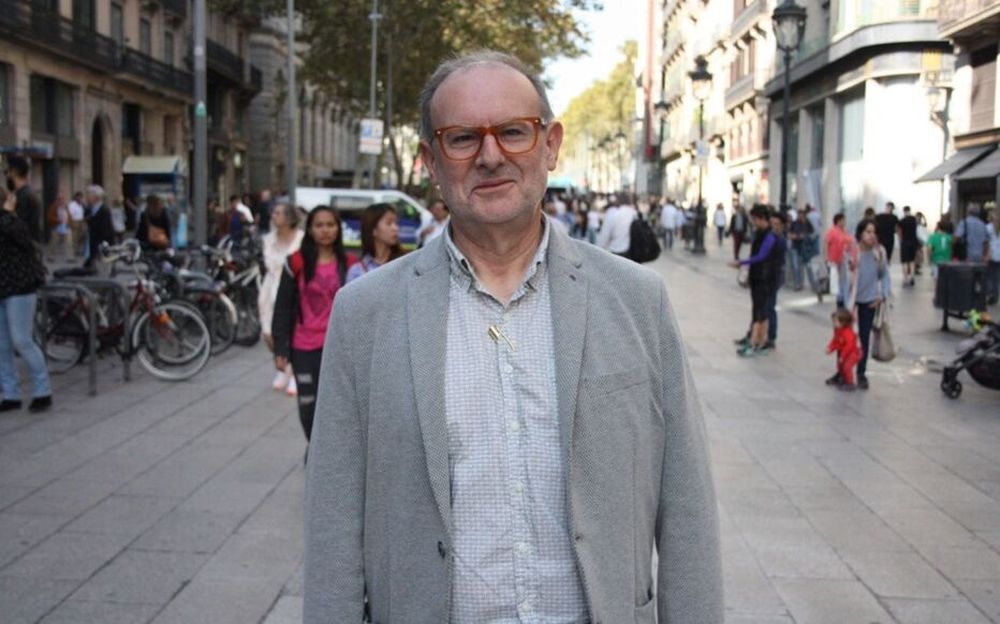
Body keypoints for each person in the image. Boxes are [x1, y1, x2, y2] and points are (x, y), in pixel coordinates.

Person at [302, 50, 722, 624]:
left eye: (513, 132)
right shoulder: (365, 313)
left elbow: (688, 507)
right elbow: (333, 519)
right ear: (430, 159)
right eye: (462, 139)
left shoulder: (637, 300)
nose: (491, 156)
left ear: (550, 145)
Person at [271, 205, 349, 441]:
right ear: (310, 229)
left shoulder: (351, 264)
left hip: (339, 347)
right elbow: (282, 307)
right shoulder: (295, 262)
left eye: (330, 225)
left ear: (338, 229)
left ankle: (329, 450)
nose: (325, 230)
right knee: (307, 403)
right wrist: (280, 348)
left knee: (337, 404)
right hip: (303, 346)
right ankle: (314, 447)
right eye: (319, 225)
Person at [0, 186, 52, 413]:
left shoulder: (10, 221)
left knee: (22, 340)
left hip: (20, 287)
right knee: (2, 345)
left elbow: (26, 241)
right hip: (2, 288)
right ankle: (10, 394)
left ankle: (43, 390)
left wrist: (9, 213)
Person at [258, 200, 303, 396]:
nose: (273, 216)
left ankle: (293, 372)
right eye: (273, 213)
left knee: (291, 330)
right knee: (268, 332)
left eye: (278, 213)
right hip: (270, 288)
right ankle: (281, 364)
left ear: (289, 217)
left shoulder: (300, 239)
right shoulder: (268, 239)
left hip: (291, 288)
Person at [729, 204, 780, 356]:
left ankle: (753, 343)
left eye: (754, 219)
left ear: (761, 219)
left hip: (765, 278)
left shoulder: (770, 236)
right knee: (760, 311)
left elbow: (762, 256)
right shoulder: (759, 233)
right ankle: (760, 341)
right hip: (758, 276)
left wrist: (742, 262)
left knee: (759, 312)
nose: (752, 222)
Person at [849, 218, 892, 391]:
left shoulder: (879, 252)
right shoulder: (852, 251)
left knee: (864, 338)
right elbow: (842, 275)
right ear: (860, 233)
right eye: (868, 231)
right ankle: (842, 372)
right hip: (850, 301)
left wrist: (882, 295)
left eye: (874, 232)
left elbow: (885, 275)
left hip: (869, 302)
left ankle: (861, 373)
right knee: (845, 338)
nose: (871, 235)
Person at [345, 202, 405, 284]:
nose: (395, 228)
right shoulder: (357, 270)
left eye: (396, 223)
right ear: (373, 230)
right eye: (389, 223)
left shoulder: (404, 263)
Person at [4, 155, 42, 244]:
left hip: (21, 252)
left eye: (8, 172)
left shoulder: (22, 197)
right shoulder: (27, 194)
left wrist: (8, 212)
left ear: (15, 172)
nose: (7, 175)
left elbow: (19, 229)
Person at [825, 213, 856, 309]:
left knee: (844, 282)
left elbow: (850, 244)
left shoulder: (844, 232)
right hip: (835, 260)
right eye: (843, 220)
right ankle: (840, 301)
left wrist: (851, 257)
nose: (844, 222)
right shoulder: (832, 231)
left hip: (844, 260)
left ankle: (844, 301)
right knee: (838, 282)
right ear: (838, 221)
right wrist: (827, 257)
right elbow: (827, 243)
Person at [826, 308, 861, 390]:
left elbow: (849, 346)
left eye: (835, 321)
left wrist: (842, 356)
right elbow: (835, 341)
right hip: (846, 353)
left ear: (843, 322)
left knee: (847, 366)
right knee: (840, 366)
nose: (833, 323)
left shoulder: (848, 333)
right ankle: (843, 379)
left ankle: (850, 383)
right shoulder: (838, 330)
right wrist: (830, 348)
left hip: (854, 353)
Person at [83, 185, 114, 269]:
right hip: (94, 239)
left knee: (102, 262)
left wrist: (102, 241)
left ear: (95, 197)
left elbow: (106, 227)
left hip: (101, 240)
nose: (87, 197)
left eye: (89, 195)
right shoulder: (91, 208)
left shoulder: (104, 209)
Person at [788, 209, 816, 291]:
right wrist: (794, 236)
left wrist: (803, 236)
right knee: (796, 267)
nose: (800, 216)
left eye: (802, 215)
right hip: (795, 247)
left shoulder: (808, 223)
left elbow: (812, 234)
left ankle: (813, 285)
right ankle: (798, 284)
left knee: (808, 267)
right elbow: (789, 234)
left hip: (806, 248)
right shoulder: (794, 223)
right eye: (799, 215)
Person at [898, 205, 919, 286]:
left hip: (905, 242)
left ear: (904, 211)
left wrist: (901, 240)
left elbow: (899, 232)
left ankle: (905, 278)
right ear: (910, 210)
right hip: (914, 242)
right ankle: (911, 277)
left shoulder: (902, 221)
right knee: (912, 261)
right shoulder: (914, 219)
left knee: (905, 261)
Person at [47, 193, 71, 260]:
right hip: (56, 227)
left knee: (69, 243)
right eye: (61, 200)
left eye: (64, 200)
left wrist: (70, 223)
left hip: (66, 227)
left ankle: (70, 257)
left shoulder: (66, 207)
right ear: (58, 200)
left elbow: (69, 216)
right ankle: (50, 256)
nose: (63, 201)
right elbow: (49, 217)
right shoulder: (53, 207)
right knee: (53, 243)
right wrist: (57, 220)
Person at [987, 209, 1000, 305]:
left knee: (990, 276)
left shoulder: (988, 227)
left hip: (991, 255)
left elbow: (985, 242)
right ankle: (995, 296)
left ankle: (991, 294)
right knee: (997, 277)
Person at [67, 191, 86, 256]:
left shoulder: (81, 205)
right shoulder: (72, 205)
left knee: (81, 236)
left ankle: (78, 249)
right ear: (76, 197)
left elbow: (83, 213)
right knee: (74, 237)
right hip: (75, 221)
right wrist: (72, 223)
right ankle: (74, 251)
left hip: (81, 221)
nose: (80, 199)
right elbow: (70, 214)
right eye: (79, 197)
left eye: (81, 197)